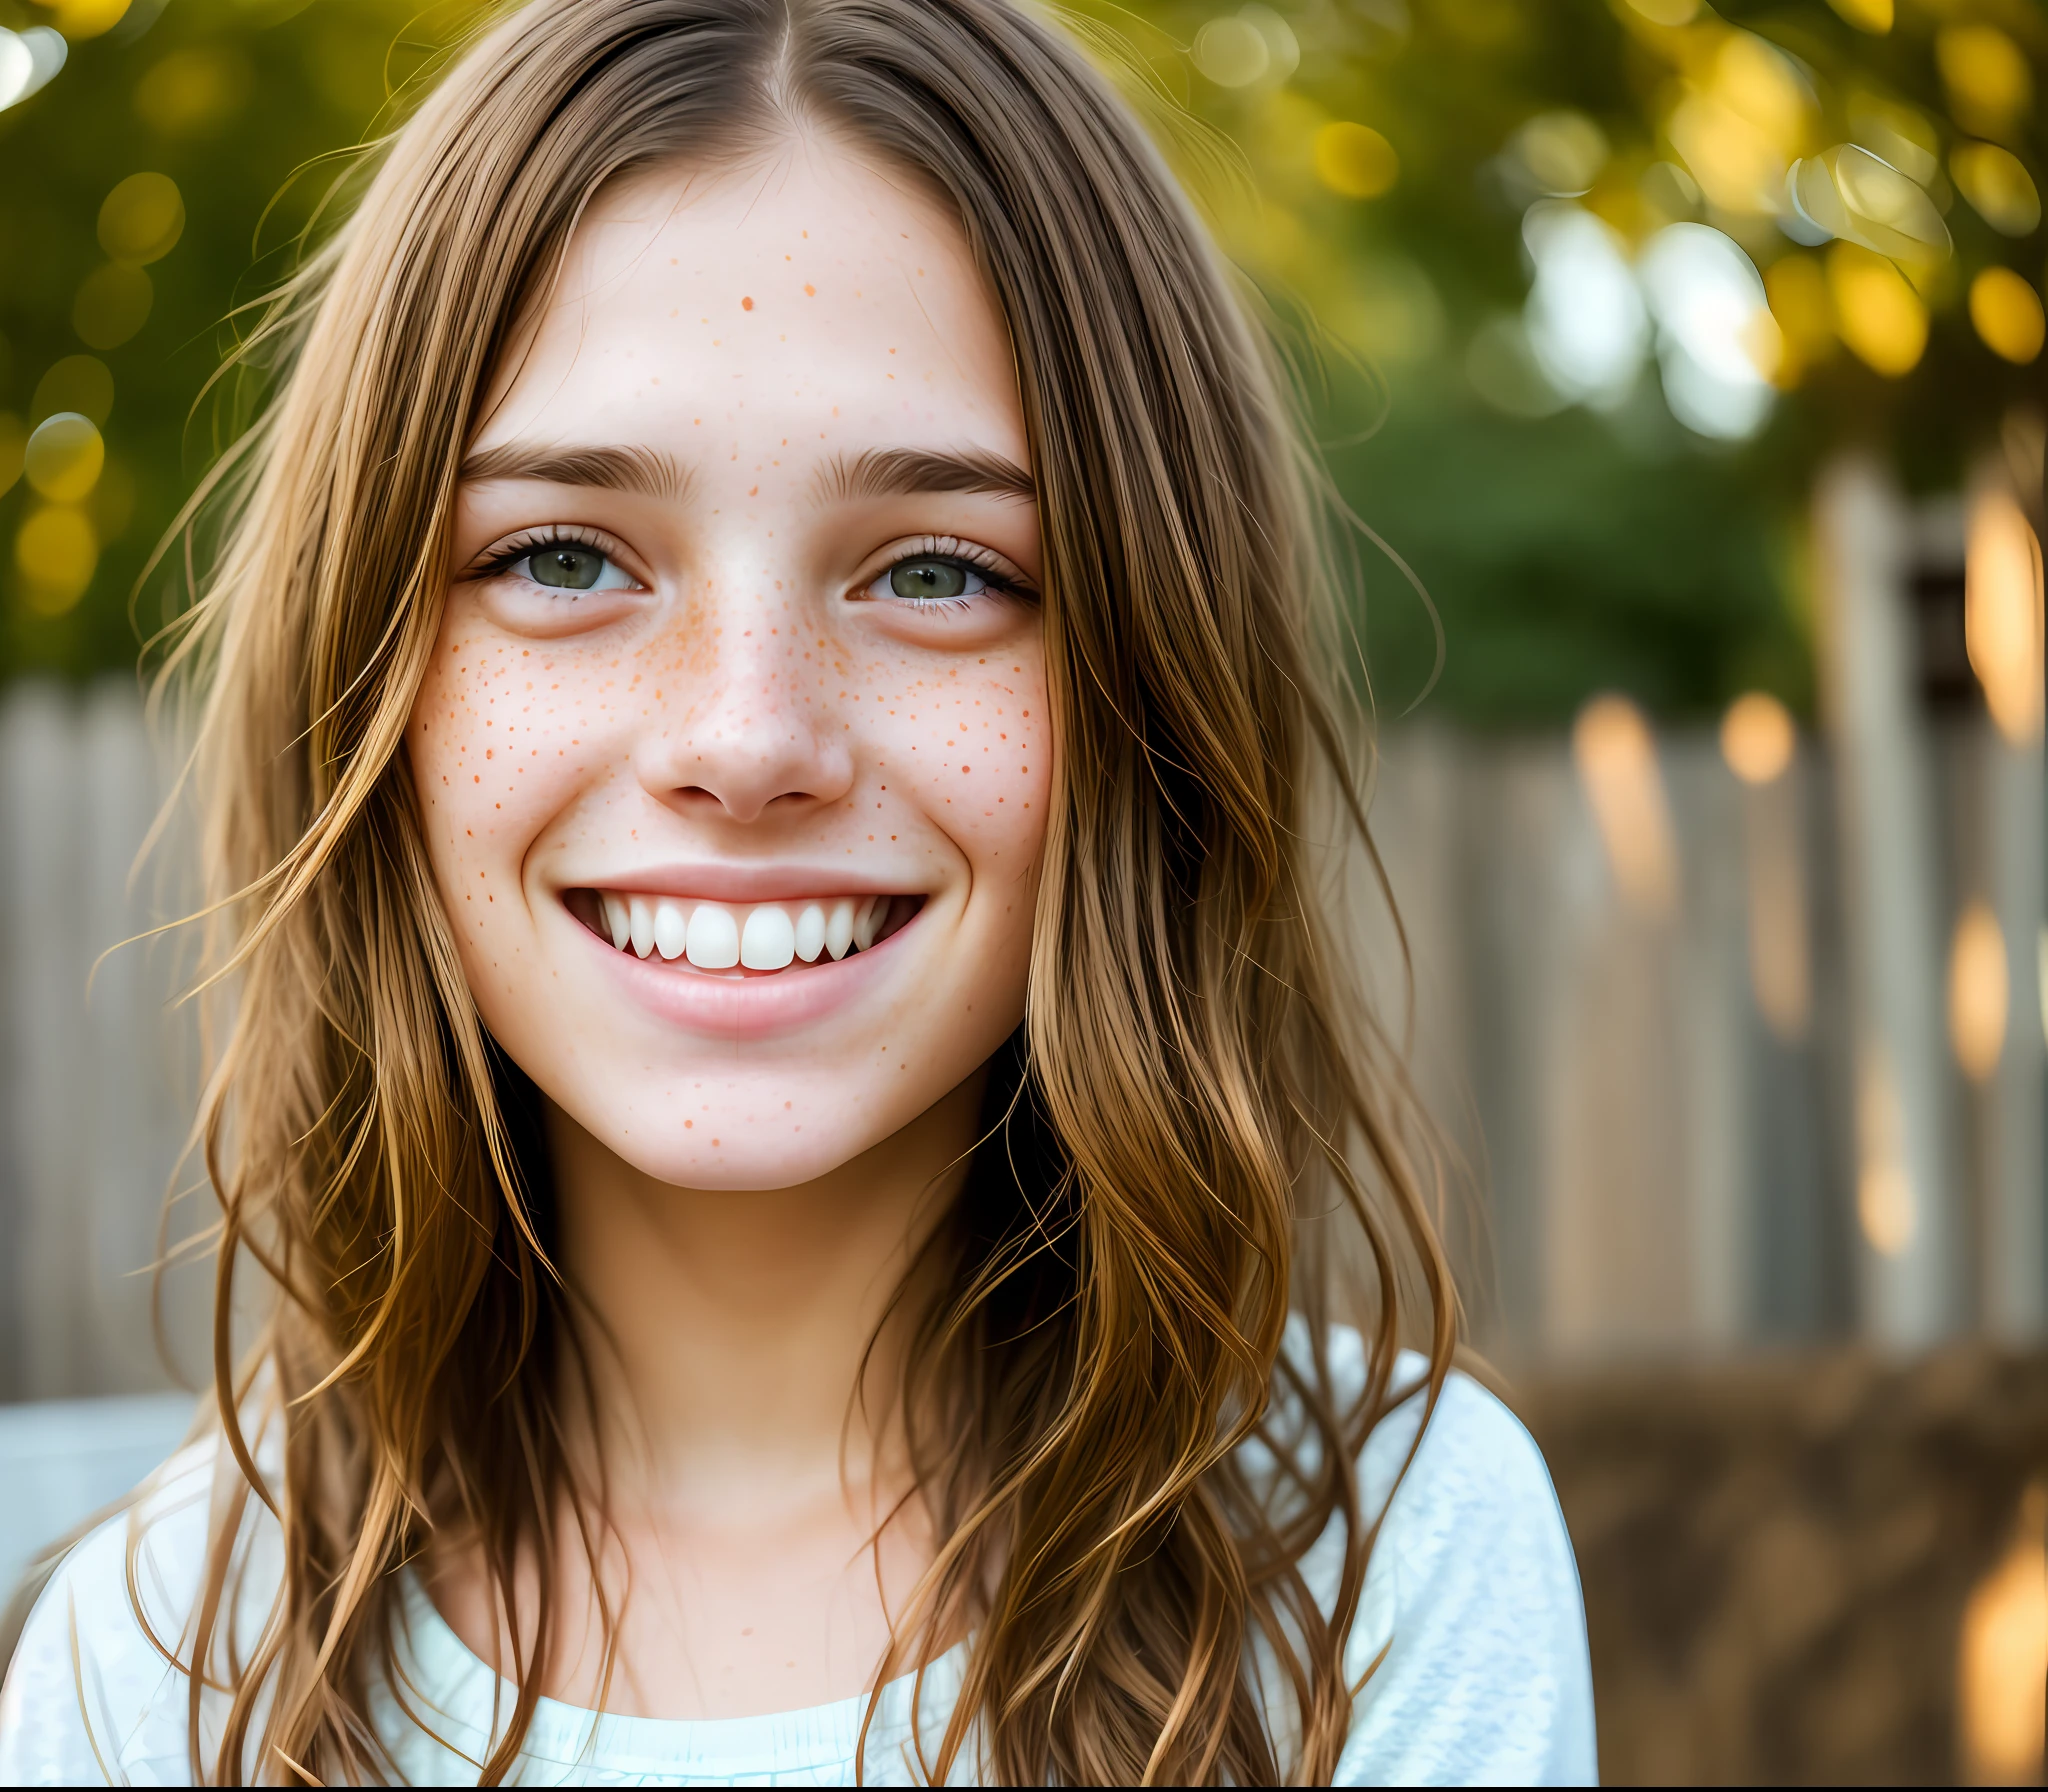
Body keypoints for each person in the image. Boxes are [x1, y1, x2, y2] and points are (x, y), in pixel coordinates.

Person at [0, 0, 1593, 1781]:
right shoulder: (155, 1668)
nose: (749, 737)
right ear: (370, 673)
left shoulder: (1378, 1569)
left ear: (1149, 685)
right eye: (560, 555)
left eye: (936, 569)